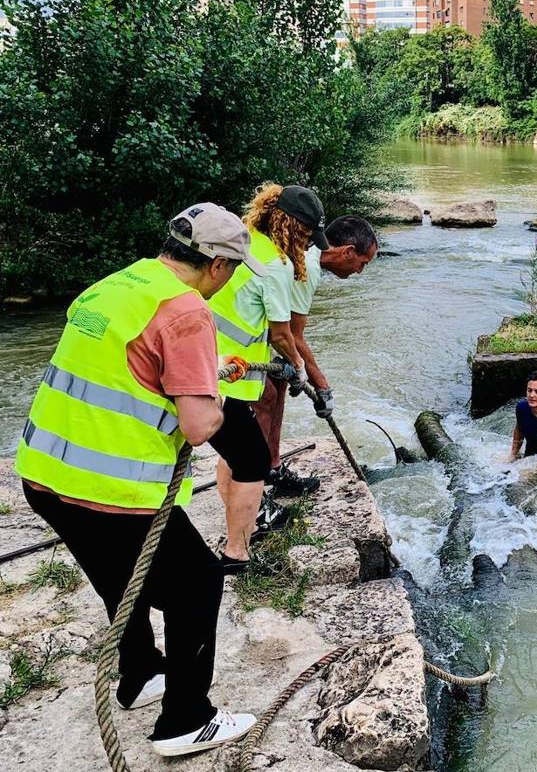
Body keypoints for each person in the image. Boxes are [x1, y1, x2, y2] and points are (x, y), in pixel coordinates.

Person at [15, 204, 263, 756]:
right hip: (110, 489)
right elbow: (200, 427)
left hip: (43, 476)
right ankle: (186, 719)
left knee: (117, 579)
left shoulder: (116, 285)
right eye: (233, 271)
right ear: (218, 267)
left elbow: (125, 366)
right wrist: (212, 391)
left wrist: (195, 370)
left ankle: (140, 675)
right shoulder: (188, 312)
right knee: (198, 581)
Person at [206, 184, 329, 571]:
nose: (309, 244)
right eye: (307, 235)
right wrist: (296, 368)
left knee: (234, 453)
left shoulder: (246, 241)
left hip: (206, 359)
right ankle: (237, 553)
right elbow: (280, 334)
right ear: (292, 227)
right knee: (252, 460)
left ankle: (245, 522)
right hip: (231, 374)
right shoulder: (274, 266)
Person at [253, 216, 379, 495]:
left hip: (258, 334)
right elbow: (293, 337)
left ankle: (272, 469)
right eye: (362, 263)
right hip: (240, 344)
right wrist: (322, 386)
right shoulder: (306, 266)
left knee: (277, 386)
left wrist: (297, 369)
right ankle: (257, 485)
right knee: (265, 398)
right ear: (347, 252)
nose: (360, 271)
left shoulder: (307, 255)